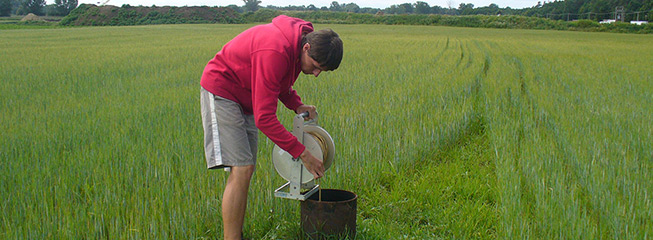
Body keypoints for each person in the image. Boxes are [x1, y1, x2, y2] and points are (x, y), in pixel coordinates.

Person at [199, 15, 343, 240]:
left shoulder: (296, 46)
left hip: (246, 97)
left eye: (321, 71)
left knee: (245, 170)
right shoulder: (275, 50)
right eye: (316, 67)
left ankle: (236, 234)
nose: (316, 74)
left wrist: (297, 105)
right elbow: (265, 118)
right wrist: (302, 152)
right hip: (223, 91)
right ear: (306, 47)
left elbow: (280, 84)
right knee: (242, 168)